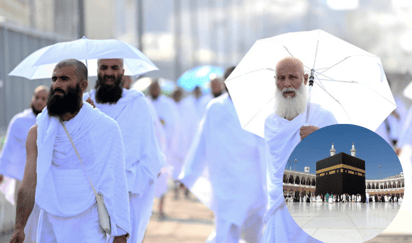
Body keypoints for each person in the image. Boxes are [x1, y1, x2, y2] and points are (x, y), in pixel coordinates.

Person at [10, 59, 130, 243]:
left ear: (82, 85)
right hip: (49, 224)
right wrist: (20, 227)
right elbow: (28, 183)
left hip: (88, 225)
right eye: (54, 78)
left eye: (64, 79)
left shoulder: (105, 128)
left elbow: (115, 182)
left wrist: (120, 232)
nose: (57, 84)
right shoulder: (38, 131)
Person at [179, 66, 267, 243]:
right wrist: (188, 174)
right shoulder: (215, 107)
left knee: (256, 229)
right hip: (225, 179)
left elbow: (266, 143)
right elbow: (201, 140)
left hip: (252, 178)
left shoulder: (256, 107)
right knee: (226, 229)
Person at [84, 58, 163, 242]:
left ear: (122, 71)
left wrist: (126, 181)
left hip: (128, 193)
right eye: (104, 68)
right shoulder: (84, 102)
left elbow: (150, 153)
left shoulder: (137, 104)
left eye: (114, 68)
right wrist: (88, 114)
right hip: (90, 195)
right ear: (97, 70)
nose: (109, 73)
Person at [262, 57, 337, 243]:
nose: (287, 84)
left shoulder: (323, 117)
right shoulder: (270, 123)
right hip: (279, 210)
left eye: (292, 77)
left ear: (304, 79)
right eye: (281, 78)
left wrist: (321, 138)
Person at [0, 85, 48, 243]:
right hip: (23, 179)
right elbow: (8, 149)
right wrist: (2, 170)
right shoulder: (19, 121)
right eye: (37, 97)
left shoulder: (52, 122)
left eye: (44, 99)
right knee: (23, 220)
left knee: (42, 221)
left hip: (44, 181)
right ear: (32, 99)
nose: (40, 101)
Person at [147, 79, 180, 217]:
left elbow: (174, 124)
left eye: (156, 88)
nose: (154, 90)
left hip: (163, 146)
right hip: (147, 148)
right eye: (152, 88)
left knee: (162, 179)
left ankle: (160, 208)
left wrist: (162, 123)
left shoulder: (167, 104)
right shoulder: (144, 103)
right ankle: (147, 209)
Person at [170, 88, 198, 199]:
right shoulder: (170, 106)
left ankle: (187, 188)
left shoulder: (187, 107)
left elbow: (193, 125)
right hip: (173, 144)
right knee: (174, 168)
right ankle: (176, 189)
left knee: (186, 167)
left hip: (186, 143)